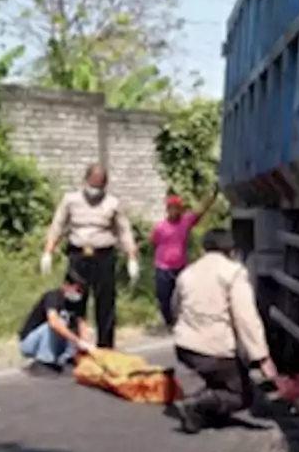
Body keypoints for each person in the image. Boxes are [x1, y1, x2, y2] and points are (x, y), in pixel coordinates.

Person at [170, 228, 278, 434]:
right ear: (231, 251)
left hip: (185, 347)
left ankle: (208, 413)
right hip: (216, 351)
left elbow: (175, 308)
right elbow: (246, 318)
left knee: (223, 378)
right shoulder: (233, 273)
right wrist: (262, 357)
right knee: (243, 395)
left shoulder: (187, 273)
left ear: (203, 249)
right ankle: (197, 405)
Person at [40, 163, 139, 350]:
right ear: (85, 181)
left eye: (99, 187)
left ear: (105, 185)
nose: (95, 191)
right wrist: (48, 251)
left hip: (104, 256)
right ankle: (74, 345)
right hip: (77, 255)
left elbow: (124, 231)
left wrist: (132, 257)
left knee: (105, 303)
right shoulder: (70, 200)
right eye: (93, 185)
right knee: (73, 299)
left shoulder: (113, 204)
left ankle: (105, 347)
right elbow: (57, 226)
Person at [151, 190, 218, 329]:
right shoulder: (160, 227)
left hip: (180, 266)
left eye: (177, 208)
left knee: (183, 295)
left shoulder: (185, 222)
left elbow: (200, 212)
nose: (174, 211)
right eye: (171, 208)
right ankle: (169, 321)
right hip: (163, 267)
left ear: (181, 210)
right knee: (164, 296)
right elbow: (154, 242)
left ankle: (182, 320)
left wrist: (211, 197)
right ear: (167, 210)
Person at [19, 269, 94, 376]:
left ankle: (68, 359)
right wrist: (77, 341)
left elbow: (81, 322)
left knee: (77, 330)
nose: (79, 294)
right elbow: (53, 322)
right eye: (77, 290)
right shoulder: (53, 296)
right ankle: (44, 361)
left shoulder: (77, 302)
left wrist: (85, 343)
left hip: (56, 341)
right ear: (66, 285)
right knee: (55, 325)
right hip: (32, 342)